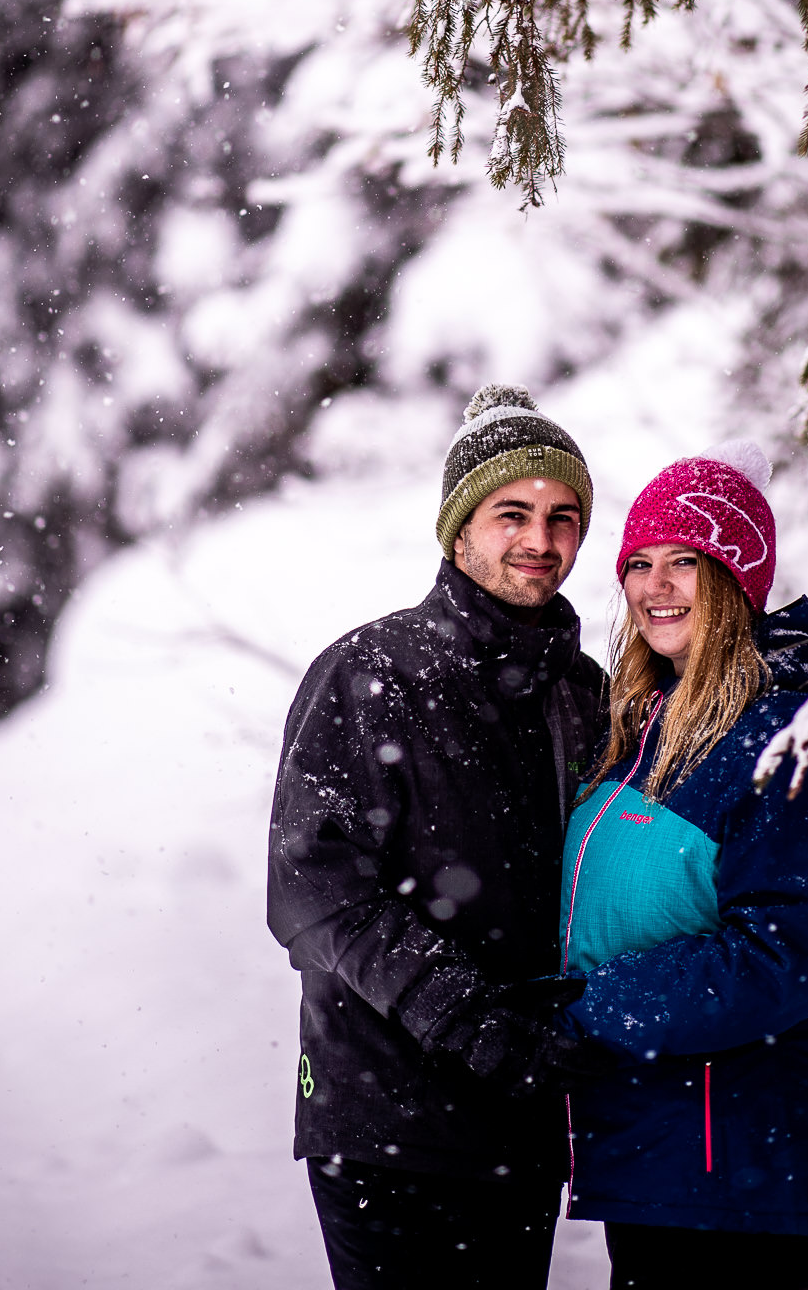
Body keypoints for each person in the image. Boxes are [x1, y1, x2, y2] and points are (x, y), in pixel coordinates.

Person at [268, 383, 611, 1290]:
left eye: (563, 517)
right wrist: (473, 1019)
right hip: (387, 1118)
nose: (540, 540)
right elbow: (313, 890)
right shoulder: (367, 672)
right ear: (459, 526)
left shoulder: (582, 691)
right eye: (512, 513)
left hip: (523, 1121)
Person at [559, 438, 808, 1290]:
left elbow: (782, 958)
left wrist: (586, 1007)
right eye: (640, 563)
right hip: (664, 1155)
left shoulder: (789, 735)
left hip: (745, 1164)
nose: (654, 587)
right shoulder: (643, 723)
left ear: (738, 579)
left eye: (685, 563)